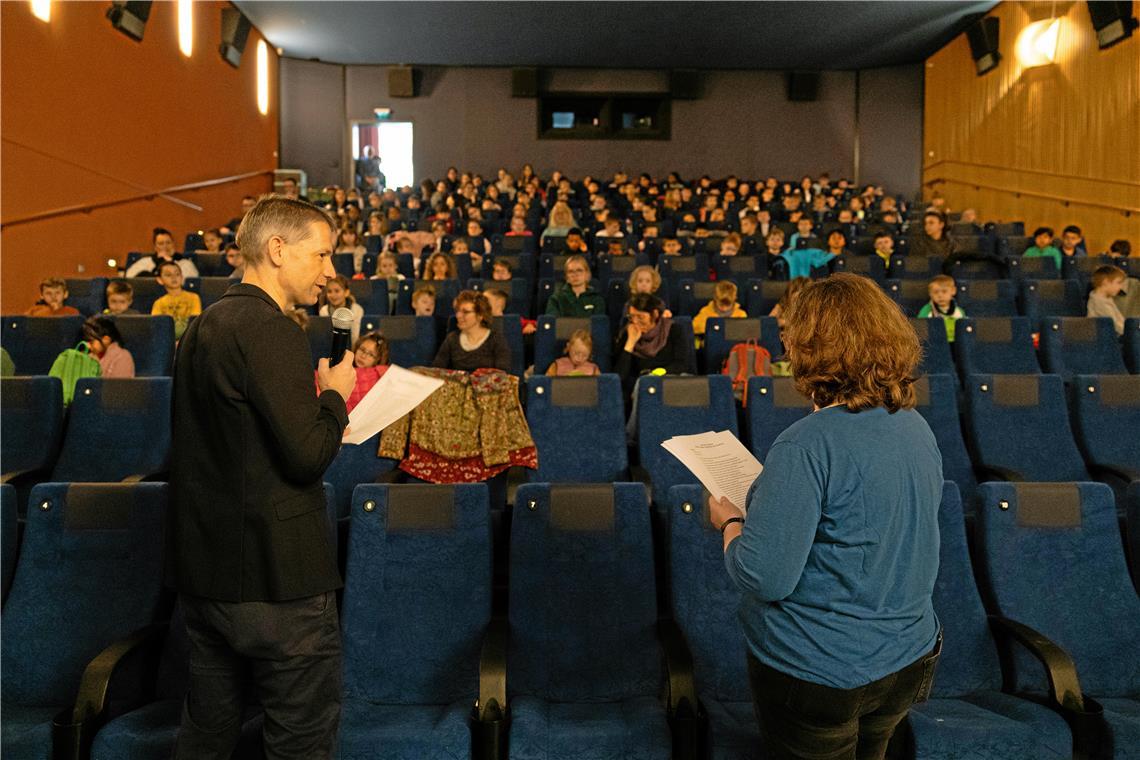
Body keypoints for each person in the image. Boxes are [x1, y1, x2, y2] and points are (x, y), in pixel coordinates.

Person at [708, 274, 942, 760]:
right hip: (907, 656)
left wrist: (731, 523)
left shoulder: (807, 443)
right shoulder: (915, 426)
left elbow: (763, 575)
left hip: (824, 668)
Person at [168, 195, 355, 759]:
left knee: (207, 740)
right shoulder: (271, 329)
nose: (329, 272)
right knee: (299, 742)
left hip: (208, 576)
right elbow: (306, 457)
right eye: (321, 255)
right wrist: (335, 398)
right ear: (277, 249)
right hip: (278, 583)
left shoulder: (204, 325)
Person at [613, 293, 688, 395]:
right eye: (631, 317)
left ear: (655, 314)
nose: (635, 322)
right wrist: (630, 343)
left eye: (640, 317)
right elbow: (620, 376)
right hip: (641, 387)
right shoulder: (628, 333)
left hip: (669, 381)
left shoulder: (673, 330)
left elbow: (682, 364)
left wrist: (656, 374)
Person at [432, 290, 512, 372]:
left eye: (465, 312)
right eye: (458, 311)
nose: (458, 316)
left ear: (480, 315)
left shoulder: (496, 339)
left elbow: (502, 375)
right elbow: (436, 370)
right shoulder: (452, 338)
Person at [151, 260, 202, 340]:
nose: (174, 277)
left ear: (182, 277)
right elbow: (158, 327)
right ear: (159, 280)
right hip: (167, 341)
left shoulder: (194, 297)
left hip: (188, 340)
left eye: (177, 274)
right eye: (168, 275)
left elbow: (195, 323)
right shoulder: (158, 303)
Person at [126, 227, 200, 278]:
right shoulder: (144, 262)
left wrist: (170, 263)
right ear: (155, 247)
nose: (165, 246)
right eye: (161, 243)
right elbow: (130, 279)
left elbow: (189, 283)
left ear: (173, 244)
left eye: (168, 242)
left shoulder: (186, 263)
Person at [917, 274, 966, 341]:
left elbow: (963, 330)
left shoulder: (959, 311)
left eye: (944, 291)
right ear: (930, 294)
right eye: (936, 292)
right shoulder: (927, 310)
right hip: (935, 341)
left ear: (953, 291)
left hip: (956, 342)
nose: (940, 295)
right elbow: (921, 328)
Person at [318, 275, 364, 342]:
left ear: (346, 292)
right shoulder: (324, 310)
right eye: (329, 291)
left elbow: (355, 336)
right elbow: (325, 336)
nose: (333, 295)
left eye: (337, 291)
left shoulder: (356, 310)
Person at [1086, 265, 1127, 336]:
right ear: (1105, 282)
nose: (1120, 287)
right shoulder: (1098, 302)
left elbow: (1121, 320)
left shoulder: (1106, 299)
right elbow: (1116, 326)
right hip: (1103, 340)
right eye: (1118, 283)